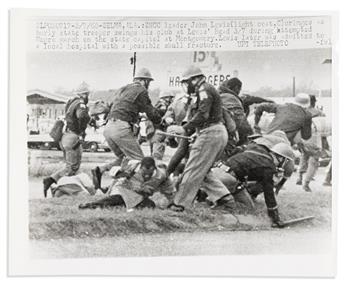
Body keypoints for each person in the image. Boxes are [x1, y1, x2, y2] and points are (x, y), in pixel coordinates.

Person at [167, 65, 230, 211]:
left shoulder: (203, 90)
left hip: (211, 133)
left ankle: (179, 204)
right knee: (203, 169)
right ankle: (224, 198)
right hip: (215, 132)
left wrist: (184, 128)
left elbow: (203, 114)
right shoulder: (205, 90)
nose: (186, 86)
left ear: (194, 79)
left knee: (193, 168)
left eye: (186, 82)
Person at [91, 68, 162, 189]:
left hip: (108, 128)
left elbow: (115, 106)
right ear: (144, 81)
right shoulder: (141, 90)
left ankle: (101, 170)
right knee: (139, 161)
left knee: (125, 158)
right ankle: (130, 189)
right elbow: (151, 112)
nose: (148, 85)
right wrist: (159, 119)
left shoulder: (123, 89)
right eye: (148, 82)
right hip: (121, 128)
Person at [213, 142, 294, 227]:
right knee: (248, 208)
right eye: (286, 161)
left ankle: (211, 198)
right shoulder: (269, 167)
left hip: (216, 172)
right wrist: (275, 218)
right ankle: (222, 212)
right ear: (281, 159)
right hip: (228, 178)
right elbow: (269, 194)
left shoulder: (258, 152)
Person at [43, 83, 91, 197]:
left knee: (71, 168)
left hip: (65, 137)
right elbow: (82, 116)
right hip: (73, 137)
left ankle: (64, 191)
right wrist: (82, 130)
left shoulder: (70, 102)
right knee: (72, 168)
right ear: (84, 94)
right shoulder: (80, 103)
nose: (88, 96)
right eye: (87, 94)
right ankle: (51, 181)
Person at [79, 157, 175, 210]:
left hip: (139, 197)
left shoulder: (162, 175)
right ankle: (91, 205)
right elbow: (114, 175)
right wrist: (121, 171)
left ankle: (122, 206)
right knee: (117, 198)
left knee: (150, 206)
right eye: (144, 173)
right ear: (140, 168)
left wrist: (171, 204)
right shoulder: (132, 166)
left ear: (154, 168)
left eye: (149, 174)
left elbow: (169, 191)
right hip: (123, 189)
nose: (146, 176)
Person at [296, 116, 332, 192]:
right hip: (313, 130)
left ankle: (300, 177)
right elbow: (327, 141)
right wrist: (325, 152)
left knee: (305, 154)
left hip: (304, 129)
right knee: (314, 160)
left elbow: (324, 138)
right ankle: (306, 184)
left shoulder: (328, 122)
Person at [218, 78, 253, 145]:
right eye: (239, 89)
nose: (239, 92)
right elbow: (241, 123)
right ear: (236, 88)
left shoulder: (218, 96)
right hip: (224, 138)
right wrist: (250, 138)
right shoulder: (230, 98)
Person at [149, 91, 175, 160]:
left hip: (155, 129)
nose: (171, 100)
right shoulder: (163, 106)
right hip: (159, 129)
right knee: (158, 147)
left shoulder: (158, 104)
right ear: (166, 98)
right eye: (170, 98)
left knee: (154, 146)